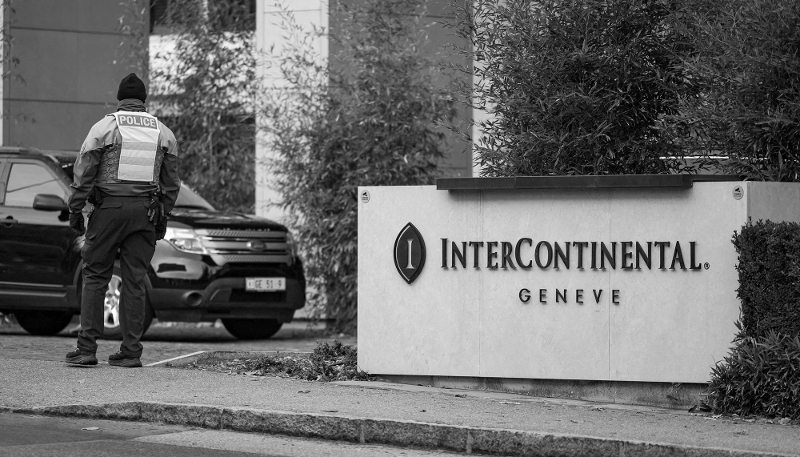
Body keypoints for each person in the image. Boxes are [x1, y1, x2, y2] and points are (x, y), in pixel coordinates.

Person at [65, 73, 180, 368]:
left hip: (109, 212)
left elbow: (84, 173)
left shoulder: (104, 127)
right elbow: (171, 183)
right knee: (135, 281)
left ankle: (87, 349)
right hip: (146, 213)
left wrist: (75, 210)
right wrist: (163, 216)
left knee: (95, 276)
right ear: (143, 100)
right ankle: (131, 352)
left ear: (119, 99)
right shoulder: (163, 132)